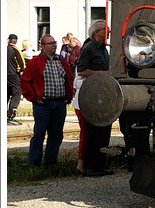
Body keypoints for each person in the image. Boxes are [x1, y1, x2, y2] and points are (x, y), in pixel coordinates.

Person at [19, 33, 74, 167]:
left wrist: (68, 96)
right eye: (50, 43)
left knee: (56, 134)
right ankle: (35, 163)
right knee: (39, 134)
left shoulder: (61, 61)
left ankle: (51, 162)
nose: (54, 45)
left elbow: (69, 78)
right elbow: (25, 81)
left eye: (54, 42)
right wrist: (34, 98)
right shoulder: (35, 62)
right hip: (43, 104)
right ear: (42, 46)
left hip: (59, 103)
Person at [76, 19, 113, 176]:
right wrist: (102, 74)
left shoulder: (104, 49)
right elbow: (81, 70)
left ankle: (99, 165)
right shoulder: (89, 48)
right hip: (94, 93)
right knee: (93, 131)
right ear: (97, 33)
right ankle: (90, 166)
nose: (109, 33)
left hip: (103, 93)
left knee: (104, 130)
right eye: (107, 31)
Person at [7, 34, 26, 124]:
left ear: (8, 40)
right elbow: (21, 64)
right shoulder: (16, 50)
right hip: (14, 75)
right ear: (16, 41)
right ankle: (10, 115)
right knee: (16, 94)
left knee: (6, 95)